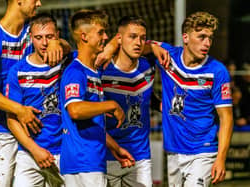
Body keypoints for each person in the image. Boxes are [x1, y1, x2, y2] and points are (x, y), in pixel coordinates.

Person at [0, 0, 69, 186]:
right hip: (2, 133)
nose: (39, 3)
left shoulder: (31, 31)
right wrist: (19, 110)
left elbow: (60, 46)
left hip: (36, 133)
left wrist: (58, 43)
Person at [149, 11, 233, 186]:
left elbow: (226, 118)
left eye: (210, 38)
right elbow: (134, 43)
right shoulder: (168, 57)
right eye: (201, 37)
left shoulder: (217, 71)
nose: (207, 43)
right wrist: (152, 47)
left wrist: (221, 159)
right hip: (173, 151)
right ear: (185, 37)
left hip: (203, 151)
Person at [59, 9, 134, 187]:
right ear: (84, 36)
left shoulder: (92, 72)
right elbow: (75, 110)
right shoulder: (76, 72)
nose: (105, 36)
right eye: (100, 32)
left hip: (87, 160)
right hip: (85, 162)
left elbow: (91, 124)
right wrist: (111, 105)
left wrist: (115, 148)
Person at [6, 13, 72, 187]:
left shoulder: (68, 62)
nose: (44, 43)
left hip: (64, 152)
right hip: (29, 154)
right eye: (38, 37)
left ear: (57, 35)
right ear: (30, 38)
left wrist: (62, 44)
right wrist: (35, 151)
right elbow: (12, 120)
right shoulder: (17, 71)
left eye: (49, 37)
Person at [101, 16, 154, 187]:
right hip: (106, 156)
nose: (138, 42)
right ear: (119, 39)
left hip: (140, 157)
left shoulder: (149, 66)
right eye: (132, 36)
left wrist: (155, 47)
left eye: (142, 38)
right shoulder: (101, 69)